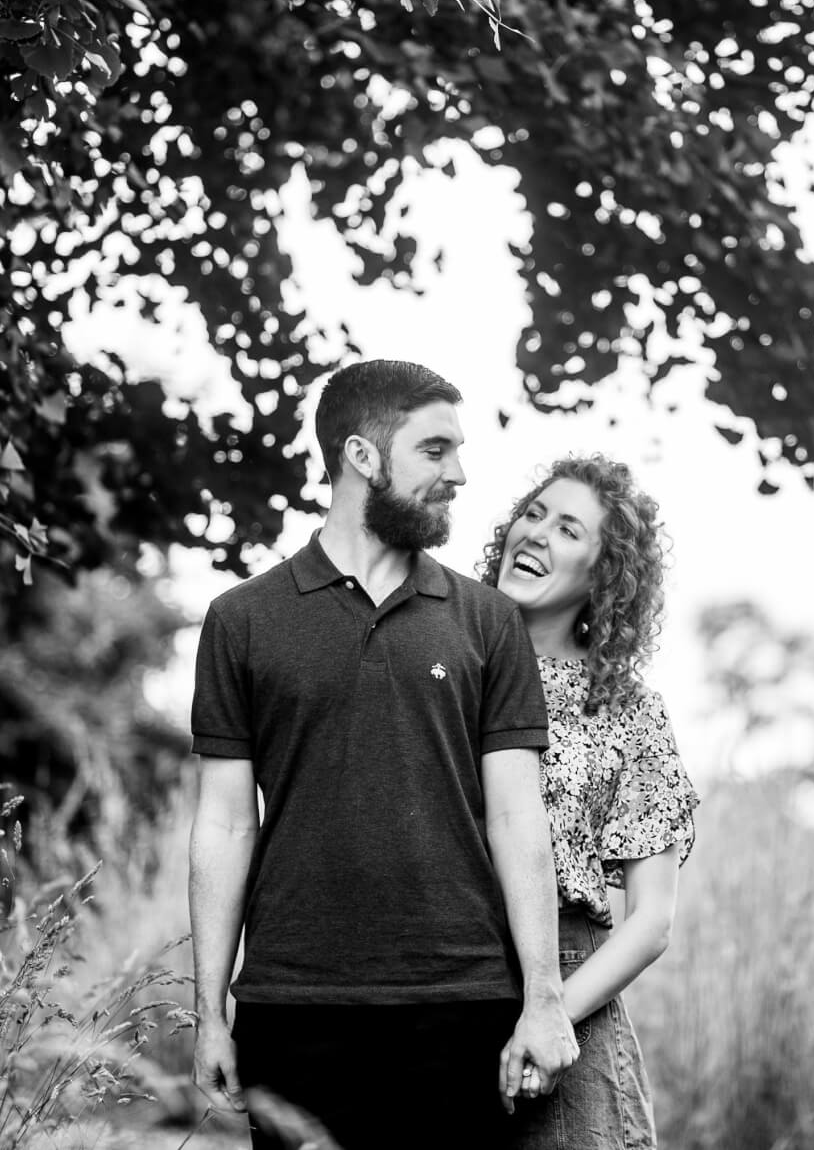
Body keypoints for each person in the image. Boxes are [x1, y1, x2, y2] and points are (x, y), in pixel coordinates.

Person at [188, 360, 580, 1150]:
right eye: (435, 450)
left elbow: (516, 814)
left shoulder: (488, 621)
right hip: (292, 1007)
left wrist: (543, 997)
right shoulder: (241, 620)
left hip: (461, 1005)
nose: (459, 473)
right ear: (362, 455)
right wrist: (209, 1012)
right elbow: (226, 825)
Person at [482, 453, 698, 1148]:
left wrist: (551, 1016)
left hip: (569, 988)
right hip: (442, 971)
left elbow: (652, 919)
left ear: (605, 573)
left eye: (568, 528)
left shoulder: (628, 709)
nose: (536, 533)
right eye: (534, 513)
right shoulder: (446, 672)